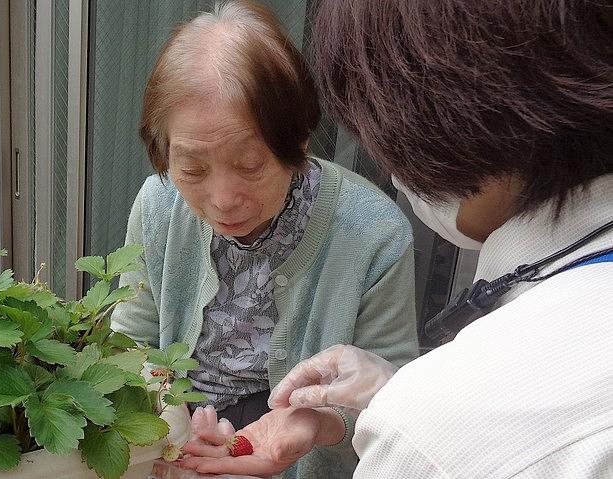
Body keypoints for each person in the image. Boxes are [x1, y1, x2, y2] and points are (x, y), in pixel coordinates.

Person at [180, 0, 613, 477]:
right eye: (191, 168)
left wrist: (400, 408)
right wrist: (389, 389)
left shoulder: (429, 441)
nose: (222, 200)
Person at [110, 1, 419, 477]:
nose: (222, 200)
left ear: (298, 142)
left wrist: (320, 424)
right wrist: (165, 434)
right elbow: (132, 341)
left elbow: (393, 405)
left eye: (250, 165)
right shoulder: (159, 205)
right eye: (192, 169)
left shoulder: (374, 235)